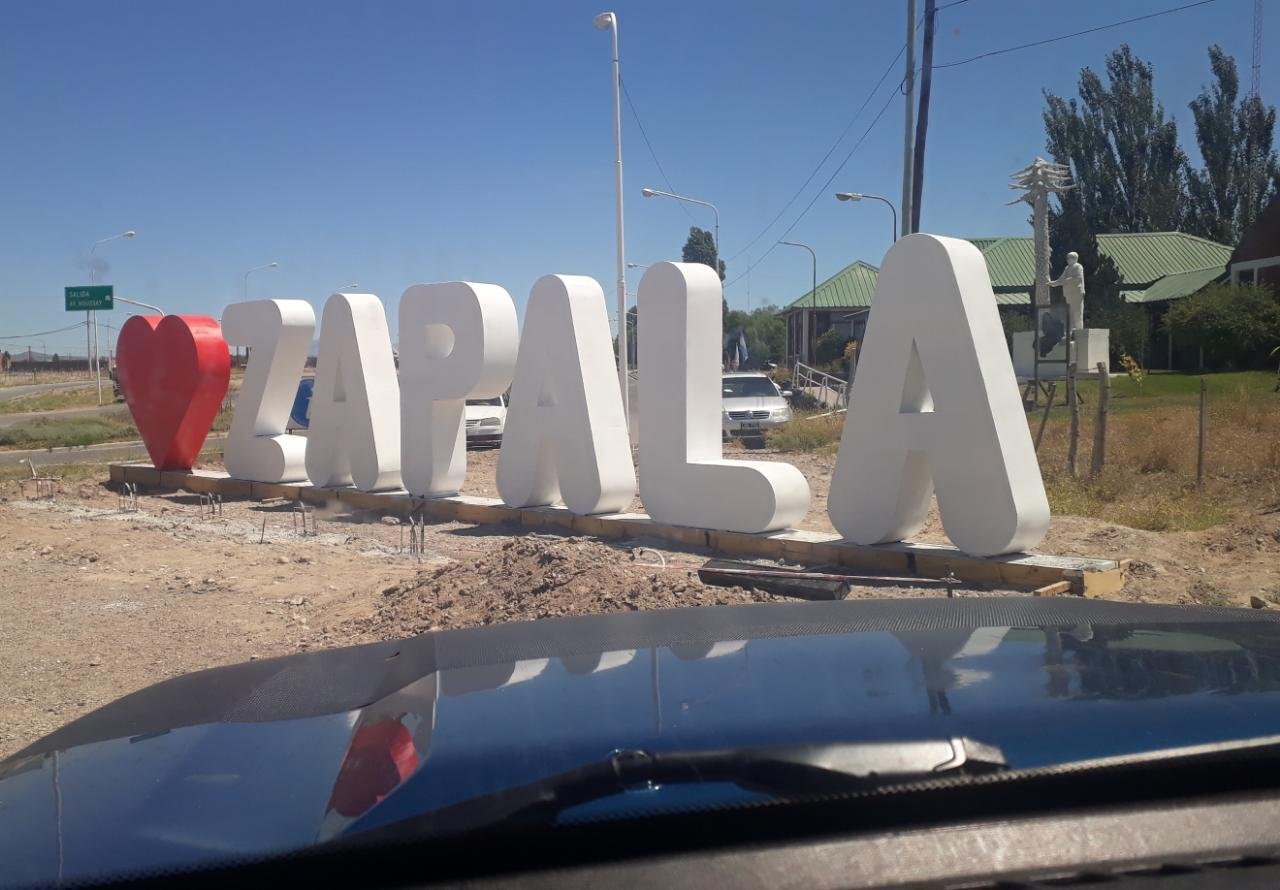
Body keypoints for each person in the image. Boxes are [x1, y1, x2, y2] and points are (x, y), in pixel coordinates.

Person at [1049, 251, 1086, 332]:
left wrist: (1065, 281)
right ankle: (1071, 329)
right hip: (1068, 293)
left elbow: (1078, 278)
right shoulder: (1067, 268)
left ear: (1075, 258)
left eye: (1070, 257)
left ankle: (1079, 329)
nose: (1068, 259)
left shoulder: (1078, 267)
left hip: (1077, 292)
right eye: (1067, 258)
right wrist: (1053, 283)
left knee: (1077, 311)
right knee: (1070, 312)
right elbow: (1061, 279)